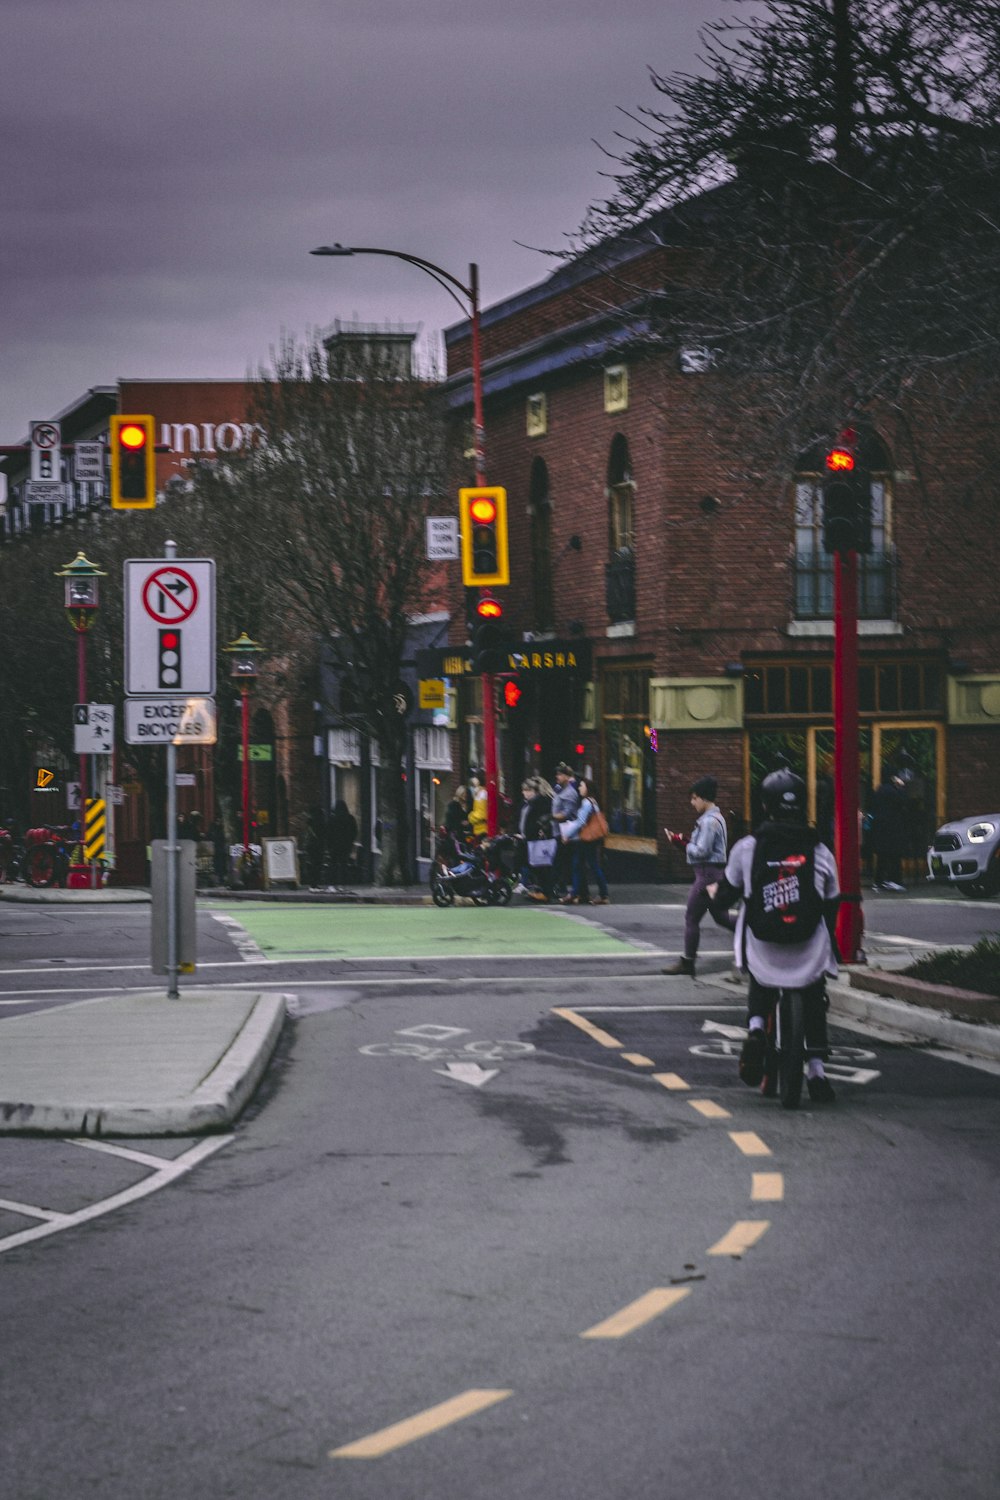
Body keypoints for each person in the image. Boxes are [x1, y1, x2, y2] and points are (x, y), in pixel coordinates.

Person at [710, 768, 839, 1104]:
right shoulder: (821, 851)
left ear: (765, 805)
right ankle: (817, 1070)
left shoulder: (747, 848)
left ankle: (755, 1028)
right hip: (807, 944)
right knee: (814, 992)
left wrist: (717, 900)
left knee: (760, 979)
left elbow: (725, 896)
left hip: (764, 944)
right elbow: (832, 901)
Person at [662, 776, 730, 977]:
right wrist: (684, 841)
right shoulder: (716, 819)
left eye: (694, 798)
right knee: (721, 916)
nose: (692, 803)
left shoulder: (709, 821)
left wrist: (681, 843)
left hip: (706, 875)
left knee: (691, 917)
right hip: (714, 873)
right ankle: (752, 937)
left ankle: (688, 961)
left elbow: (701, 851)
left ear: (704, 798)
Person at [559, 777, 610, 904]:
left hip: (587, 839)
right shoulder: (593, 801)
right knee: (580, 864)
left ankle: (602, 895)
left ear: (588, 788)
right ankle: (578, 894)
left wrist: (567, 835)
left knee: (588, 865)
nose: (579, 788)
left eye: (582, 786)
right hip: (590, 838)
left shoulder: (587, 802)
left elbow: (580, 822)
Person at [517, 776, 556, 901]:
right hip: (531, 837)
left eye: (528, 790)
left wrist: (538, 829)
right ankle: (542, 889)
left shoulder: (540, 801)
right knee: (537, 864)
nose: (525, 793)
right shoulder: (532, 802)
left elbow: (536, 820)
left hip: (536, 838)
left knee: (541, 865)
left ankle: (545, 891)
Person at [868, 772, 908, 891]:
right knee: (895, 855)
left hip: (880, 828)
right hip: (892, 828)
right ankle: (895, 880)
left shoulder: (879, 790)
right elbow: (903, 800)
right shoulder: (893, 791)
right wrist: (901, 787)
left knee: (882, 856)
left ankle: (878, 882)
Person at [550, 762, 581, 899]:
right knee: (560, 860)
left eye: (560, 775)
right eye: (557, 774)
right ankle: (561, 886)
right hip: (559, 832)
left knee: (562, 860)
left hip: (566, 833)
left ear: (568, 777)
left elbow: (567, 813)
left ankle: (563, 887)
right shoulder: (560, 790)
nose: (557, 777)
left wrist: (552, 817)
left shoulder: (569, 793)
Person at [327, 799, 358, 886]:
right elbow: (354, 831)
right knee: (343, 864)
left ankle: (332, 883)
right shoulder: (350, 818)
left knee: (333, 865)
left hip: (334, 846)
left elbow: (328, 833)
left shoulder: (332, 819)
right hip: (346, 845)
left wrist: (329, 845)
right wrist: (350, 841)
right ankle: (342, 883)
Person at [467, 773, 488, 839]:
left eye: (475, 777)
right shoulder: (479, 792)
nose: (473, 779)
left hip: (482, 829)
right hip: (478, 829)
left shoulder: (483, 793)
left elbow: (482, 814)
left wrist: (470, 817)